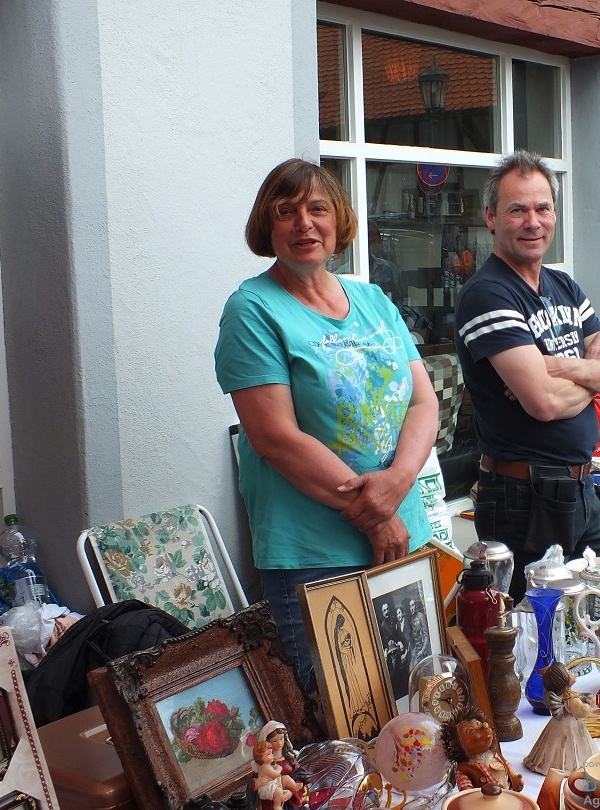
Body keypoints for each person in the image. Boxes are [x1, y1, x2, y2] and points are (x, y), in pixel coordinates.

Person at [215, 159, 438, 687]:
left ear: (339, 220)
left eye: (318, 209)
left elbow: (423, 403)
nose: (304, 224)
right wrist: (375, 514)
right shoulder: (252, 309)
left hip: (403, 539)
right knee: (344, 723)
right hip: (315, 555)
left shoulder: (373, 299)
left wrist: (398, 485)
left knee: (418, 706)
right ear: (266, 227)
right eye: (285, 212)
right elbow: (276, 438)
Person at [454, 151, 600, 600]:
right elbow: (543, 401)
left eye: (543, 208)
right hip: (522, 499)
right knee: (531, 634)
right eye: (517, 210)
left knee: (599, 612)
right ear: (491, 218)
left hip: (582, 489)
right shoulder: (487, 294)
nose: (532, 221)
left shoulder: (563, 286)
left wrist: (561, 366)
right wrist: (594, 374)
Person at [521, 662, 600, 774]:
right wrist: (590, 704)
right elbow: (582, 711)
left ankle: (549, 762)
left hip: (558, 724)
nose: (572, 672)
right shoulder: (571, 698)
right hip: (570, 727)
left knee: (555, 745)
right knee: (568, 746)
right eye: (568, 671)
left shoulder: (565, 695)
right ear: (563, 679)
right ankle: (567, 766)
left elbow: (578, 697)